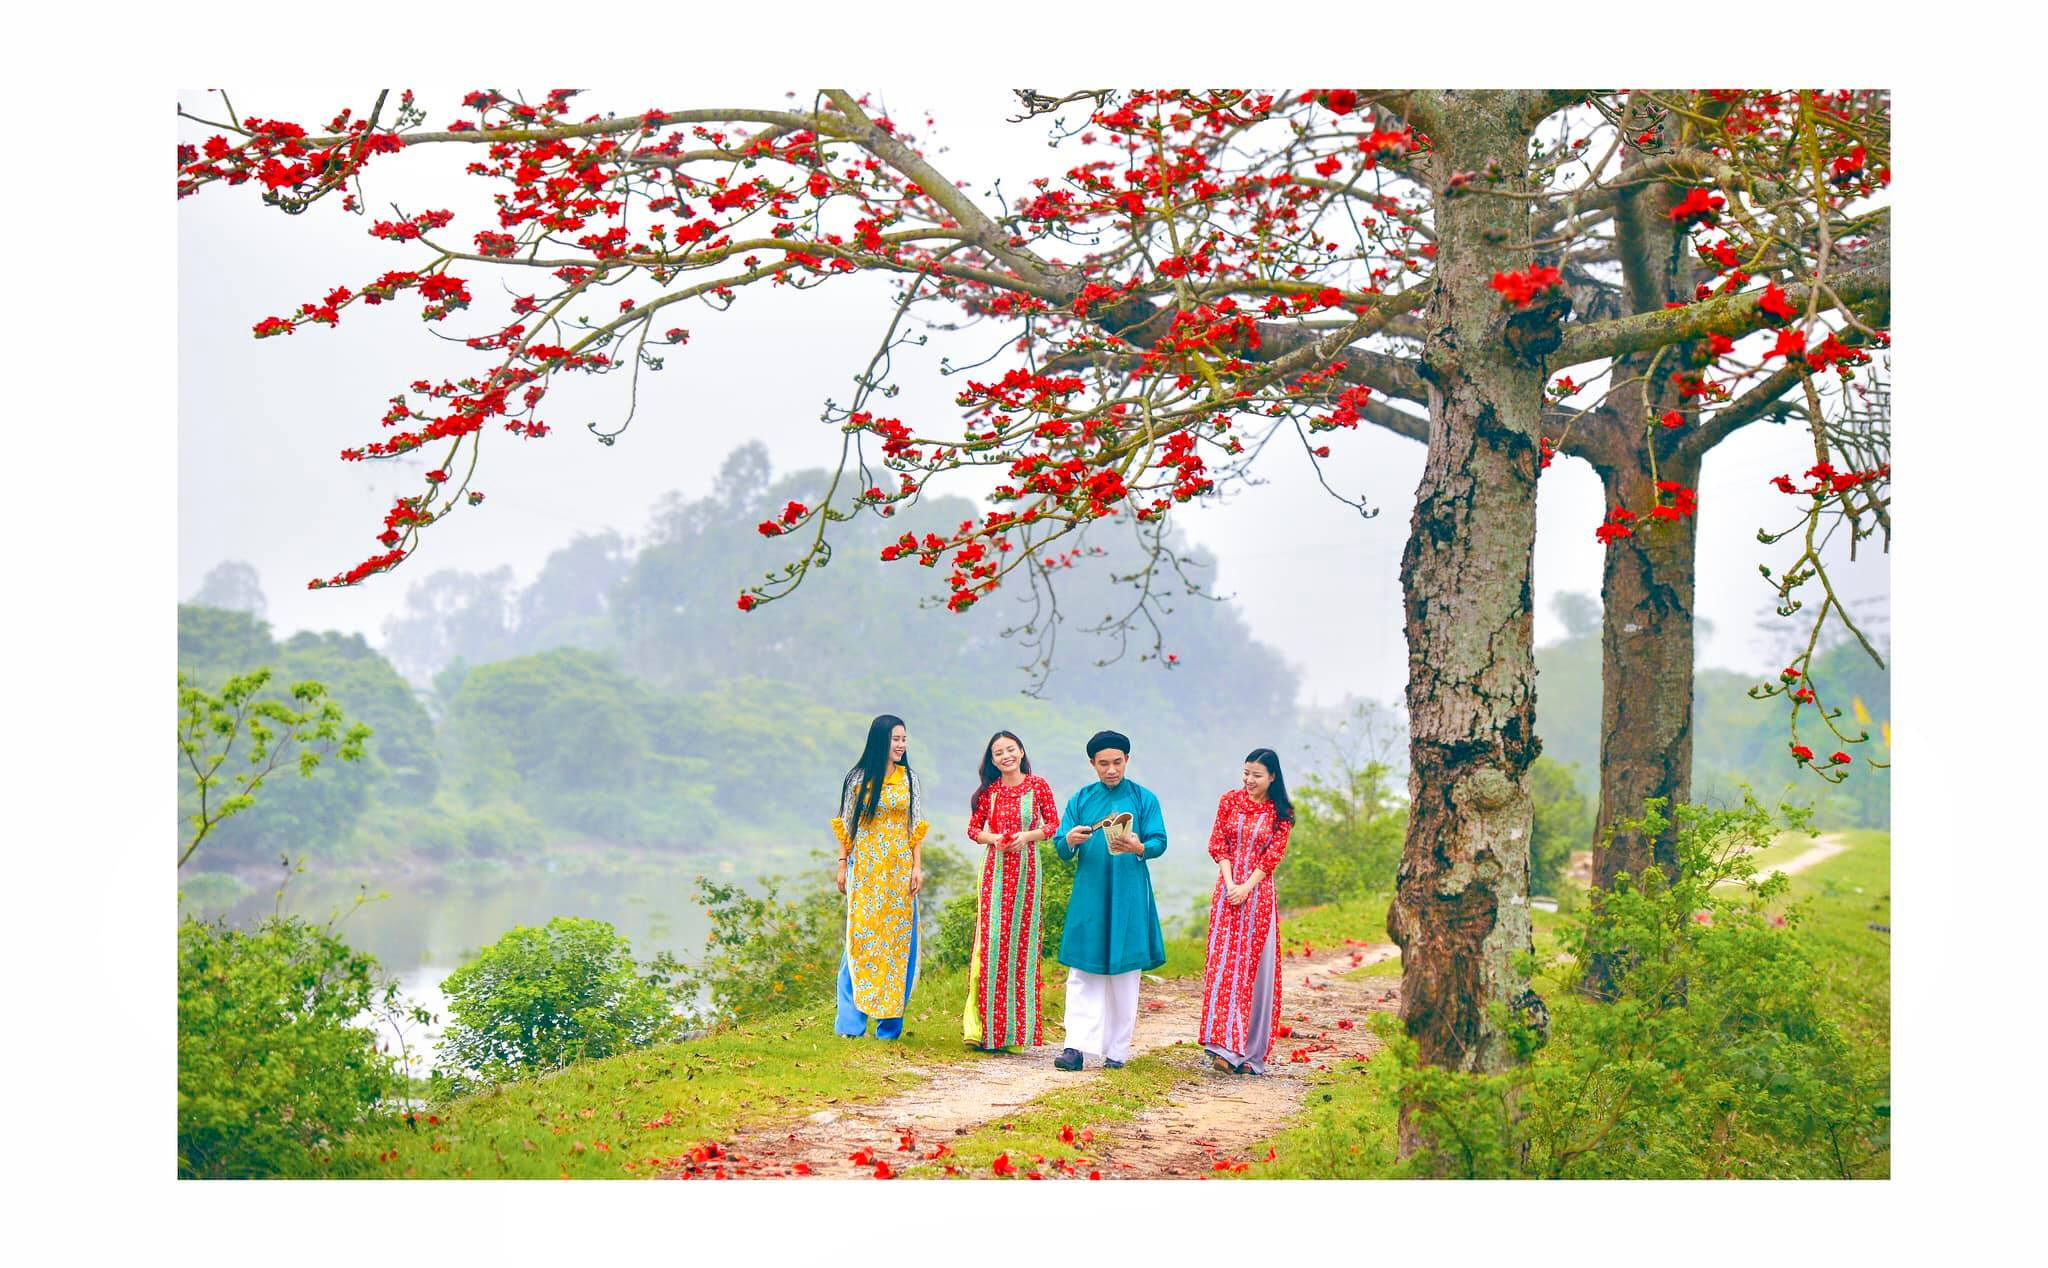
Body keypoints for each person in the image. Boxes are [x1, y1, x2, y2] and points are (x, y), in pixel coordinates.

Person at [1052, 730, 1168, 1072]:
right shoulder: (1081, 799)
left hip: (1129, 894)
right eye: (1103, 763)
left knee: (1124, 974)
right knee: (1083, 971)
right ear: (1092, 764)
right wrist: (1070, 840)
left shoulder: (1144, 799)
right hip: (1090, 893)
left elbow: (1159, 840)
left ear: (1127, 760)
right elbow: (1061, 845)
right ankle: (1075, 1047)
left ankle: (1117, 1051)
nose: (1111, 769)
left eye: (1117, 762)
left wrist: (1139, 847)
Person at [830, 714, 930, 1041]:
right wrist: (843, 864)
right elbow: (848, 825)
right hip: (867, 871)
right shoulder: (857, 779)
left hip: (899, 873)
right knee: (861, 942)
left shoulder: (909, 779)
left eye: (904, 739)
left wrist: (917, 867)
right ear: (880, 741)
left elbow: (914, 827)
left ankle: (889, 1028)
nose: (901, 745)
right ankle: (850, 1025)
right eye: (895, 739)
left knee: (899, 945)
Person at [1198, 748, 1295, 1075]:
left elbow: (1271, 858)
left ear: (1272, 777)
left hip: (1258, 895)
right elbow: (1218, 844)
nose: (1249, 780)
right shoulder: (1229, 800)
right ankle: (1221, 1046)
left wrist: (1246, 886)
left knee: (1252, 970)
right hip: (1227, 891)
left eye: (1256, 775)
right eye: (1246, 773)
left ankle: (1246, 1050)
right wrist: (1229, 884)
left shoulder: (1281, 813)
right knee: (1224, 966)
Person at [962, 731, 1059, 1052]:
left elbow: (1053, 825)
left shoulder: (1038, 786)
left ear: (1021, 751)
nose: (1005, 756)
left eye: (1010, 749)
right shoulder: (989, 792)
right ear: (992, 760)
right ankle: (983, 1030)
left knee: (1021, 946)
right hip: (994, 872)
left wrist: (1026, 836)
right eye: (998, 753)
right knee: (991, 944)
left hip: (1028, 873)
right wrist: (996, 839)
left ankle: (1016, 1033)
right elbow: (974, 829)